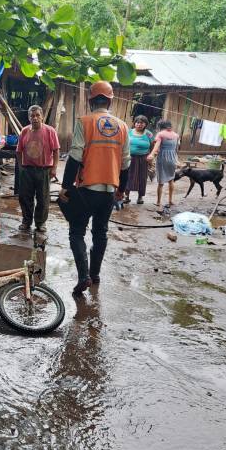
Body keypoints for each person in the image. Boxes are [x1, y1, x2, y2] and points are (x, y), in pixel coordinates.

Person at [58, 81, 130, 296]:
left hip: (87, 190)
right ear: (110, 101)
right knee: (101, 232)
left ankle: (84, 277)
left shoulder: (85, 122)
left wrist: (65, 186)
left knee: (76, 232)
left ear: (91, 101)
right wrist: (121, 190)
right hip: (109, 192)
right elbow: (126, 163)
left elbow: (75, 155)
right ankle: (95, 274)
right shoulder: (123, 126)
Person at [16, 104, 60, 233]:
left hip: (44, 170)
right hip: (27, 170)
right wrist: (20, 167)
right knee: (25, 197)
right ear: (29, 117)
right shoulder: (24, 131)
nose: (35, 118)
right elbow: (19, 151)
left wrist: (54, 168)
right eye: (32, 115)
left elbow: (56, 151)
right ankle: (26, 221)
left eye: (37, 115)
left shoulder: (50, 131)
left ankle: (40, 223)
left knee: (43, 198)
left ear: (42, 117)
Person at [147, 119, 179, 207]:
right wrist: (177, 160)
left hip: (162, 159)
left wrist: (151, 154)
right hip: (172, 159)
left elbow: (156, 147)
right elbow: (176, 149)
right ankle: (170, 200)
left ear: (160, 127)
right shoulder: (176, 135)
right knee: (171, 180)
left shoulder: (160, 134)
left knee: (161, 182)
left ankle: (158, 202)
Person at [123, 115, 153, 204]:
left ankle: (140, 197)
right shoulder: (129, 132)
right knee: (128, 177)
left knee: (142, 178)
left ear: (145, 124)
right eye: (137, 122)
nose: (139, 124)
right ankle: (126, 196)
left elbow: (153, 146)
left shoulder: (148, 134)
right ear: (134, 123)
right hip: (129, 158)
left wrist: (151, 156)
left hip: (143, 159)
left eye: (142, 123)